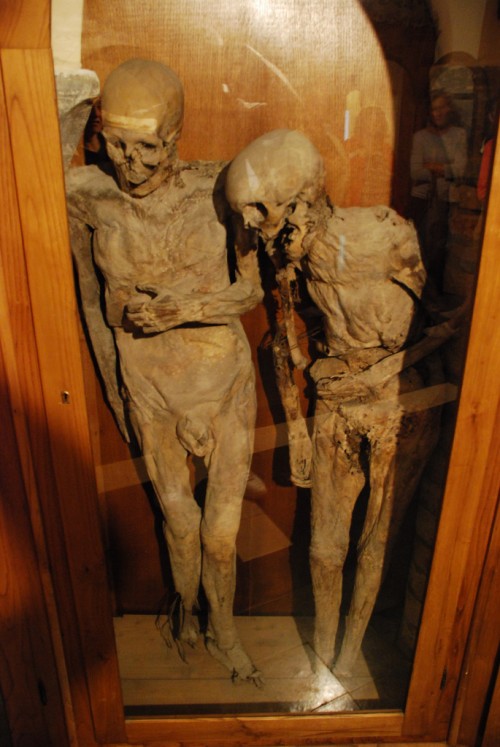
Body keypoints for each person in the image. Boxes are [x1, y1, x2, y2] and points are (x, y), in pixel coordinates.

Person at [226, 129, 457, 674]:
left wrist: (375, 374)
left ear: (301, 204)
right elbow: (282, 336)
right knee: (325, 548)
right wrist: (296, 429)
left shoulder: (386, 234)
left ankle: (349, 657)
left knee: (377, 541)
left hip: (401, 407)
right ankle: (325, 657)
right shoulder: (292, 261)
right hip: (336, 402)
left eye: (264, 213)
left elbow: (443, 327)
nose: (257, 230)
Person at [65, 59, 263, 683]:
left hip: (224, 382)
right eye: (117, 143)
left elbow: (252, 290)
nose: (130, 163)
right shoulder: (86, 197)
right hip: (148, 387)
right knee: (179, 522)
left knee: (220, 535)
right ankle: (186, 615)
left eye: (147, 147)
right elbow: (94, 309)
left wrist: (187, 307)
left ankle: (225, 633)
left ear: (174, 136)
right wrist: (114, 391)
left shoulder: (221, 187)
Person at [409, 90, 467, 292]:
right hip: (422, 201)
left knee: (442, 252)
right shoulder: (420, 137)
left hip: (448, 202)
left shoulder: (459, 135)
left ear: (449, 108)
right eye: (434, 109)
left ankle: (437, 295)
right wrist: (446, 167)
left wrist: (433, 166)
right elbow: (415, 171)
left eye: (442, 107)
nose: (438, 113)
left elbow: (460, 170)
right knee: (422, 248)